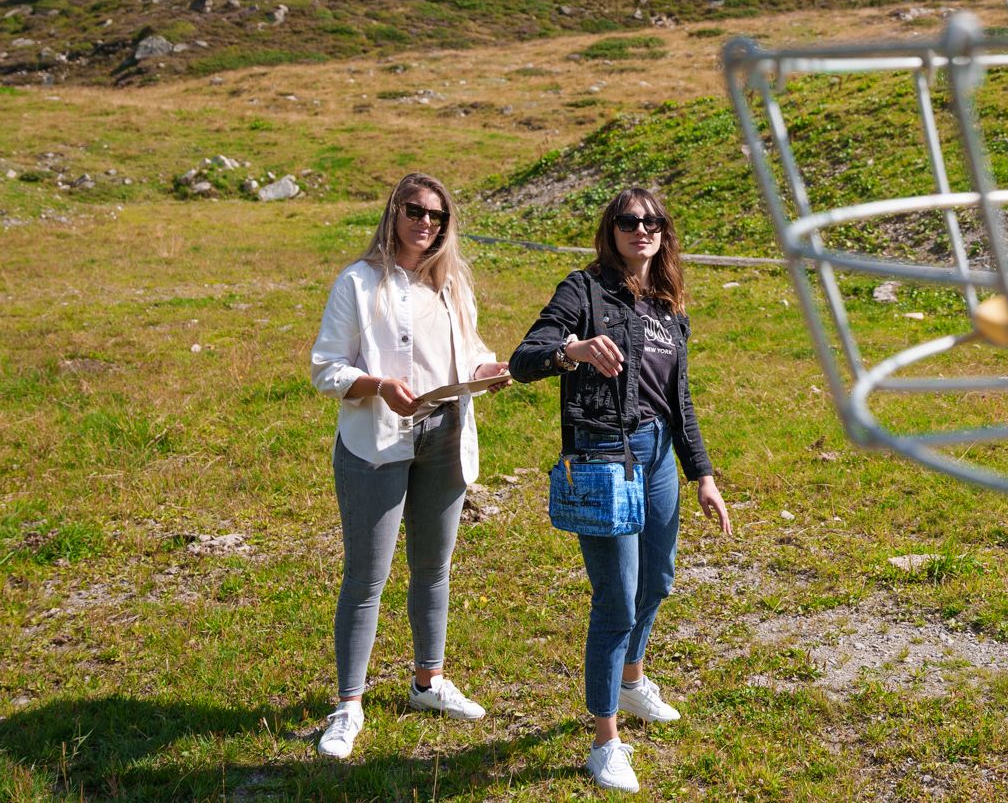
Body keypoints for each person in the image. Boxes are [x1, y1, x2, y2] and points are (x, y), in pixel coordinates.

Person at [511, 187, 731, 795]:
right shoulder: (582, 290)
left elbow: (678, 400)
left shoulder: (669, 307)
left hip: (658, 455)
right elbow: (523, 358)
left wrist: (702, 475)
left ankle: (632, 680)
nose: (642, 230)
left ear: (665, 233)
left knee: (657, 580)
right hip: (604, 457)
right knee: (618, 599)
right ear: (610, 230)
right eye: (629, 221)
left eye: (653, 221)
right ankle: (605, 741)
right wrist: (570, 350)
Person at [307, 172, 511, 760]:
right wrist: (375, 385)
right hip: (376, 442)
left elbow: (468, 353)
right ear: (393, 212)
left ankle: (429, 681)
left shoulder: (452, 285)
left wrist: (484, 371)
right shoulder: (358, 281)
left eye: (439, 216)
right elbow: (326, 368)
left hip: (445, 433)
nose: (427, 224)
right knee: (367, 577)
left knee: (433, 567)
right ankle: (348, 704)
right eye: (417, 211)